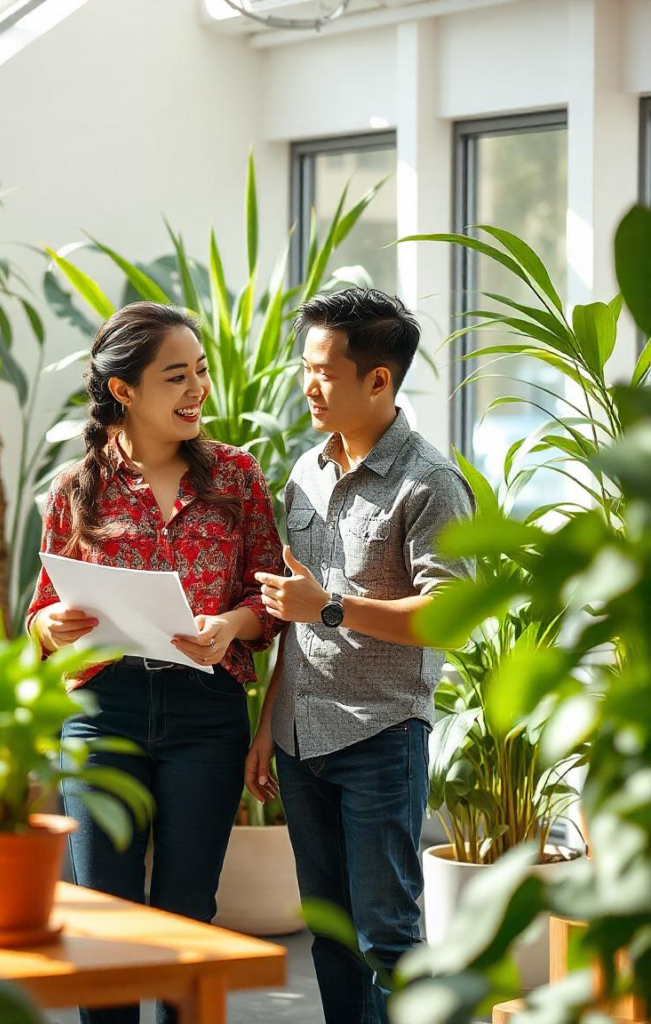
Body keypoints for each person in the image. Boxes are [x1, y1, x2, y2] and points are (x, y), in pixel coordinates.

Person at [27, 301, 284, 1024]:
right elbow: (39, 619)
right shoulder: (75, 491)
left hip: (207, 713)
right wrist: (51, 625)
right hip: (102, 710)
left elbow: (268, 599)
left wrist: (229, 623)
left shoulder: (237, 477)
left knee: (185, 914)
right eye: (177, 376)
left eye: (200, 371)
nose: (198, 389)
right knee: (105, 915)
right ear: (124, 392)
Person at [247, 288, 475, 1024]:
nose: (307, 385)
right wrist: (265, 725)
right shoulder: (303, 473)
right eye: (304, 368)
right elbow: (291, 613)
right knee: (330, 934)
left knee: (387, 938)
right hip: (298, 737)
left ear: (378, 380)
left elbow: (450, 617)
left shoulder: (429, 483)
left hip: (379, 737)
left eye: (323, 371)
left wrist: (333, 607)